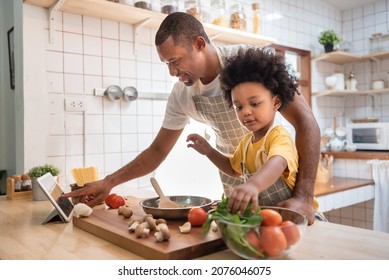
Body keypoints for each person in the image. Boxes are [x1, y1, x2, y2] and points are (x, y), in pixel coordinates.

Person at [63, 12, 320, 225]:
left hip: (282, 187)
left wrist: (304, 198)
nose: (173, 72)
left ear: (199, 44)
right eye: (166, 64)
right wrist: (109, 182)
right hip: (236, 187)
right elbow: (157, 151)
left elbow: (306, 122)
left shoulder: (247, 63)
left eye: (175, 61)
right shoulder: (182, 95)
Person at [186, 47, 299, 214]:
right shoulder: (246, 144)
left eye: (254, 104)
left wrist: (253, 185)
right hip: (268, 221)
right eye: (238, 106)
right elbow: (232, 169)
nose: (245, 112)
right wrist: (209, 151)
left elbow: (278, 162)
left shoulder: (278, 136)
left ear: (275, 103)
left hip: (296, 218)